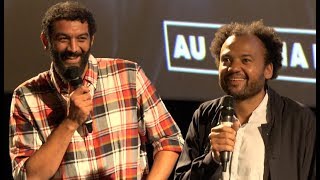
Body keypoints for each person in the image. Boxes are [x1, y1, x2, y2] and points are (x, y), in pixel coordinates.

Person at [9, 1, 184, 179]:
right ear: (46, 41)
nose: (74, 48)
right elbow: (27, 176)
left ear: (92, 39)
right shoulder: (26, 96)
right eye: (63, 39)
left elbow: (169, 140)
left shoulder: (128, 75)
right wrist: (70, 122)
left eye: (81, 38)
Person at [174, 20, 316, 180]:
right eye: (226, 60)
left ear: (268, 70)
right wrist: (211, 160)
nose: (233, 68)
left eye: (246, 60)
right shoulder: (204, 115)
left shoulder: (299, 119)